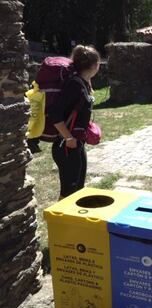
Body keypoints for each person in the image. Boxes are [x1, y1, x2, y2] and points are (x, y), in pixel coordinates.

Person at [49, 45, 100, 200]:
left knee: (78, 189)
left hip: (77, 145)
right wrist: (69, 138)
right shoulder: (74, 85)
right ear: (93, 65)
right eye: (98, 63)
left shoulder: (83, 83)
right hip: (66, 147)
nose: (100, 66)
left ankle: (71, 222)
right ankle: (59, 221)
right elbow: (55, 114)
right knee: (68, 191)